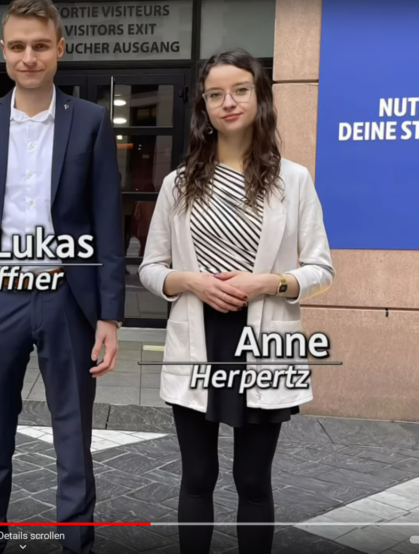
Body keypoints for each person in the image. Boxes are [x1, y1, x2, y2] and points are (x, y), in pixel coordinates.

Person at [0, 0, 125, 554]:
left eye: (41, 46)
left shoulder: (91, 121)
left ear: (59, 50)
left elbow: (106, 221)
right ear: (3, 51)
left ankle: (77, 544)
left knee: (74, 439)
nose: (30, 56)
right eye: (19, 46)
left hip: (67, 297)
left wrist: (110, 315)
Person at [138, 49, 334, 553]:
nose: (229, 102)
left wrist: (267, 283)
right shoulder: (177, 184)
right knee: (197, 476)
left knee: (252, 480)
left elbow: (320, 269)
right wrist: (193, 282)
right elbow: (150, 267)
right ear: (203, 106)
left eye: (240, 90)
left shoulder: (294, 180)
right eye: (216, 94)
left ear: (259, 96)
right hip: (198, 337)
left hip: (263, 340)